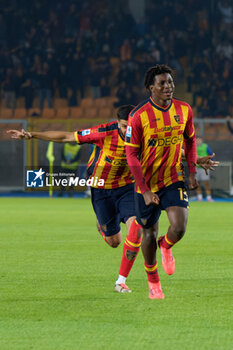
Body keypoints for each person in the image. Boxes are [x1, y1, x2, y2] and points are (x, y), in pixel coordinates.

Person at [7, 104, 218, 295]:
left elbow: (167, 150)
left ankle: (121, 281)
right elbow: (67, 137)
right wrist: (32, 135)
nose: (128, 130)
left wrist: (197, 160)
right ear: (117, 122)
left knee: (137, 227)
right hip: (101, 190)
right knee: (114, 242)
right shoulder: (103, 132)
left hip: (128, 188)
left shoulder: (141, 132)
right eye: (124, 126)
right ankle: (104, 226)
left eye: (130, 125)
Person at [125, 64, 198, 299]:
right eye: (162, 83)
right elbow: (131, 155)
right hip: (145, 183)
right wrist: (145, 190)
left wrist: (193, 172)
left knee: (179, 227)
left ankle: (165, 245)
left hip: (173, 176)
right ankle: (153, 281)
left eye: (170, 82)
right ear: (151, 88)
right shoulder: (138, 116)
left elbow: (190, 141)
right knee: (147, 232)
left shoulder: (184, 109)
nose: (168, 86)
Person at [196, 136, 214, 202]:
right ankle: (199, 197)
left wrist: (209, 163)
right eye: (197, 140)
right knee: (196, 183)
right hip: (196, 168)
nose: (198, 141)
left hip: (204, 168)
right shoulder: (193, 147)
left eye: (199, 140)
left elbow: (211, 155)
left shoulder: (205, 146)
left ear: (201, 140)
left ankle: (209, 197)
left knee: (206, 183)